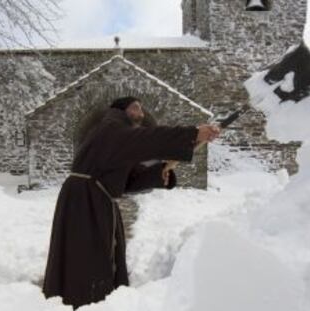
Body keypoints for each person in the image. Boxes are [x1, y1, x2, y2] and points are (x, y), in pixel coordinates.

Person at [42, 96, 220, 309]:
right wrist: (192, 133)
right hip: (84, 201)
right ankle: (85, 300)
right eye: (136, 108)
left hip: (95, 197)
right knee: (87, 255)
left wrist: (159, 172)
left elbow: (128, 180)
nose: (141, 114)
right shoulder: (111, 127)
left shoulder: (117, 138)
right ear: (120, 109)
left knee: (97, 253)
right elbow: (148, 139)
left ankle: (97, 299)